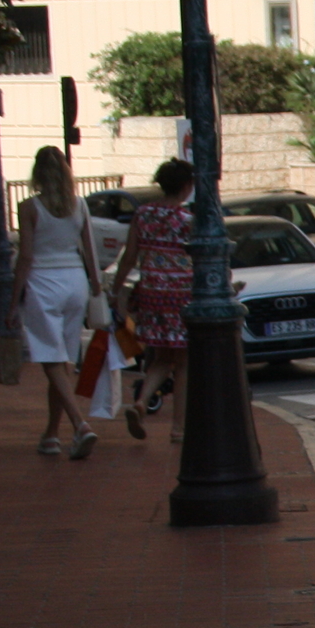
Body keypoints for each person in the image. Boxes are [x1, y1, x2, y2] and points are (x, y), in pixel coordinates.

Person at [13, 145, 102, 458]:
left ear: (37, 173)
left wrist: (13, 302)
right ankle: (51, 434)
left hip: (42, 283)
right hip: (75, 282)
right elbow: (90, 249)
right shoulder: (79, 205)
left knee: (51, 359)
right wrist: (97, 286)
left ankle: (80, 424)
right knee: (62, 361)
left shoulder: (29, 208)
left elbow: (25, 256)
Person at [112, 159, 196, 444]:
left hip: (150, 293)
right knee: (183, 363)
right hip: (181, 295)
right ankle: (179, 427)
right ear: (186, 186)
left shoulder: (143, 214)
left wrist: (115, 288)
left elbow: (130, 256)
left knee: (160, 357)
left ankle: (141, 401)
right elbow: (200, 257)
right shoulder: (187, 220)